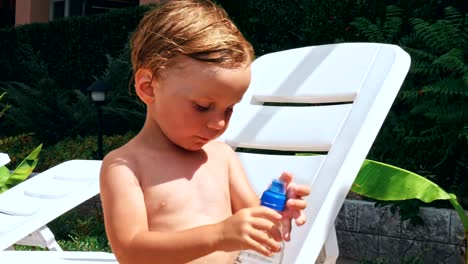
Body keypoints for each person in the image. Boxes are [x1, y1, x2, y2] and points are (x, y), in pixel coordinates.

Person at [99, 1, 311, 263]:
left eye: (229, 110)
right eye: (202, 107)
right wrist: (219, 234)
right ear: (149, 87)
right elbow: (131, 250)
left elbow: (257, 227)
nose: (219, 124)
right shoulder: (126, 166)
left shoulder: (222, 158)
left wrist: (276, 212)